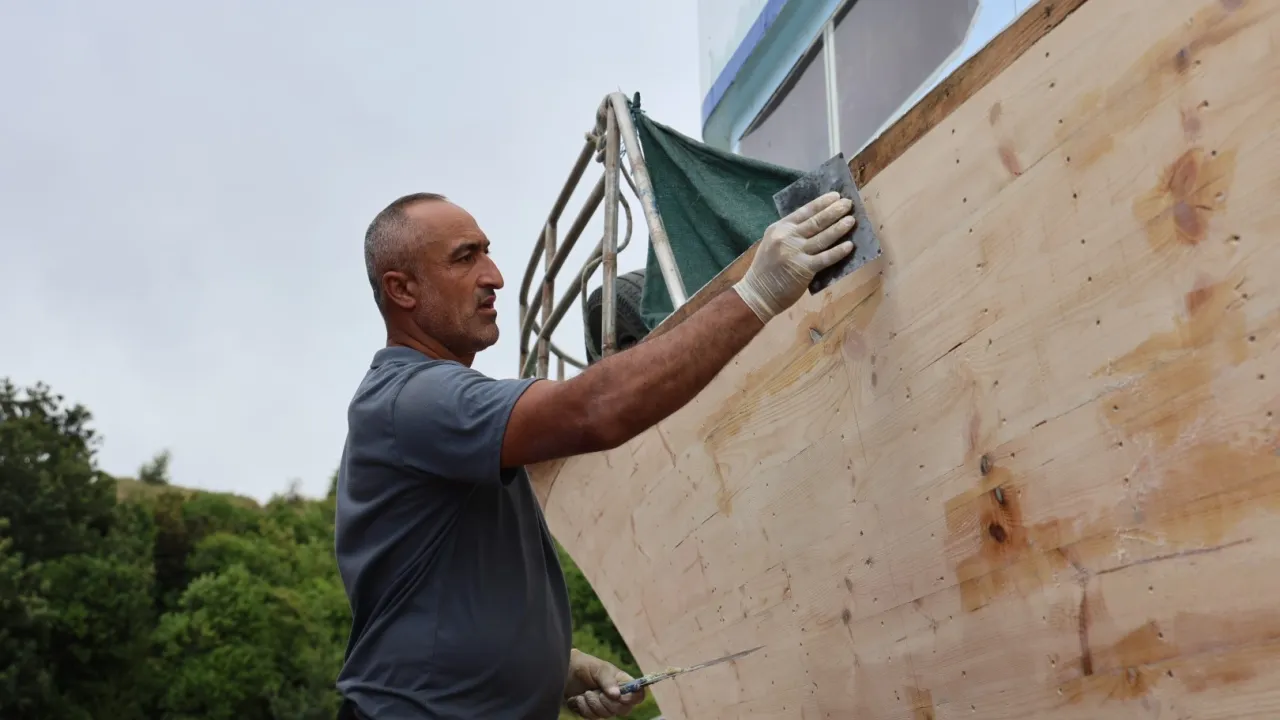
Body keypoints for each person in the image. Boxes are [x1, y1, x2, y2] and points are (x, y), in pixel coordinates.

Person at [333, 189, 857, 720]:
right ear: (402, 290)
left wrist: (554, 666)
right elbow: (593, 411)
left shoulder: (429, 413)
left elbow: (442, 593)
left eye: (487, 252)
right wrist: (756, 294)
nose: (495, 276)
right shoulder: (413, 398)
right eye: (465, 258)